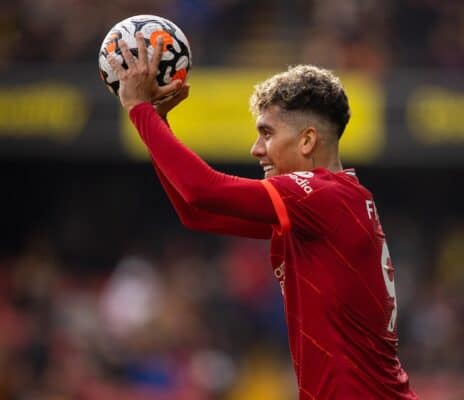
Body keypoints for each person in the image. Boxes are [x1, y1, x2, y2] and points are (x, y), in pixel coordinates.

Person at [107, 32, 418, 400]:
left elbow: (204, 190)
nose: (256, 150)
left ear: (307, 140)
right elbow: (197, 213)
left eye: (266, 134)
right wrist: (158, 122)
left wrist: (140, 111)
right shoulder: (330, 205)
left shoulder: (322, 195)